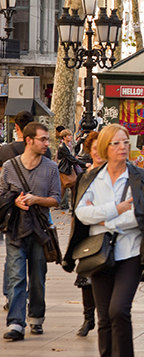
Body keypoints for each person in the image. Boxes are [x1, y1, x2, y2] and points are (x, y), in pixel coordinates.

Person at [69, 124, 144, 357]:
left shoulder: (141, 177)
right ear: (105, 147)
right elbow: (81, 213)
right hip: (98, 252)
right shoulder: (91, 178)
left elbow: (139, 216)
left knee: (119, 310)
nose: (123, 147)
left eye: (126, 142)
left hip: (130, 252)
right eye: (116, 143)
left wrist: (102, 220)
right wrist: (116, 208)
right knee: (105, 317)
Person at [0, 121, 60, 341]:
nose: (47, 143)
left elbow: (57, 199)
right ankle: (16, 323)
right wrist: (14, 201)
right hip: (15, 229)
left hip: (40, 230)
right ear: (29, 140)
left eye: (47, 139)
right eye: (43, 139)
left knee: (37, 276)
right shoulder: (9, 167)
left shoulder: (50, 167)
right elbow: (0, 196)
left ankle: (36, 317)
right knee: (16, 275)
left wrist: (37, 200)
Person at [73, 130, 101, 337]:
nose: (98, 152)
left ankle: (104, 317)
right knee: (86, 279)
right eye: (94, 148)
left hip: (109, 233)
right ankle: (88, 318)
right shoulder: (84, 177)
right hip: (88, 234)